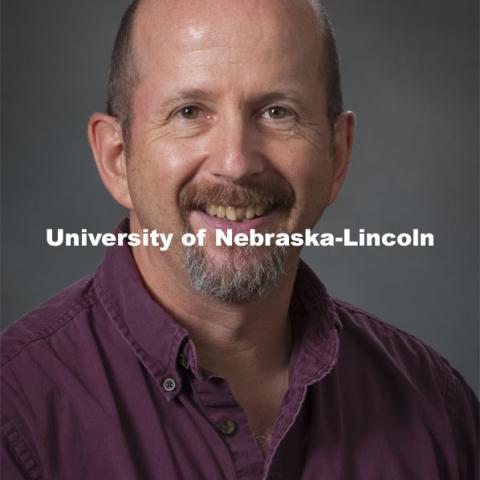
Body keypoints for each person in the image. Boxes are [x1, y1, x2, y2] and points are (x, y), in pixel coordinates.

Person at [1, 0, 478, 478]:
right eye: (190, 112)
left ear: (337, 154)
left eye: (276, 112)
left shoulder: (437, 410)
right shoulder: (15, 415)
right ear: (117, 158)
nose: (236, 162)